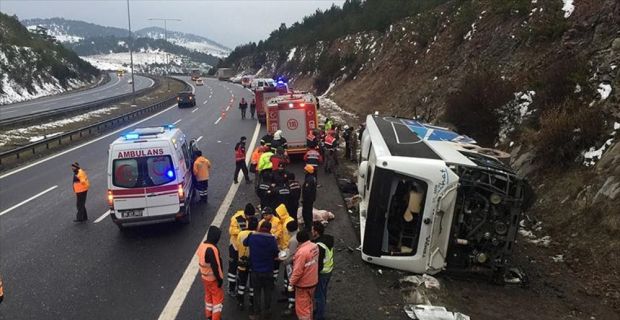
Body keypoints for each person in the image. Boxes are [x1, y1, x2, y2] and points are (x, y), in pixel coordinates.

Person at [243, 221, 279, 320]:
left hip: (255, 270)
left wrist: (251, 234)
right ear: (269, 229)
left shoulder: (253, 237)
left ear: (260, 227)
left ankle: (257, 314)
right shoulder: (272, 239)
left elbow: (244, 243)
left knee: (256, 293)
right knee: (268, 292)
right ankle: (267, 311)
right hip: (268, 270)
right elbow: (276, 253)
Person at [289, 230, 319, 320]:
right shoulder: (315, 246)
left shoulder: (301, 252)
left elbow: (297, 271)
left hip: (303, 284)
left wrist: (291, 283)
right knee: (309, 304)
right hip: (313, 281)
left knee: (302, 309)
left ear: (298, 241)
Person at [228, 203, 256, 297]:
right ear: (245, 214)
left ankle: (241, 285)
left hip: (245, 248)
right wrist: (243, 231)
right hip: (235, 247)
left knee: (243, 268)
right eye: (249, 216)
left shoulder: (251, 218)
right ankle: (231, 288)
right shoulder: (236, 218)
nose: (250, 218)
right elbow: (231, 231)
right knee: (233, 267)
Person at [197, 226, 224, 320]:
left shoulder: (202, 245)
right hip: (213, 279)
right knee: (217, 300)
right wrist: (220, 279)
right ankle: (216, 318)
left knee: (208, 297)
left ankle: (209, 315)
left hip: (204, 277)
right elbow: (216, 266)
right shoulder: (212, 249)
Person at [312, 222, 334, 320]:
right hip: (329, 270)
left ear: (316, 232)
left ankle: (319, 316)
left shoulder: (318, 246)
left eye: (312, 230)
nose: (311, 232)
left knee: (319, 295)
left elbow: (319, 264)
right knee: (323, 292)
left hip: (322, 273)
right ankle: (320, 311)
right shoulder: (327, 240)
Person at [236, 216, 259, 310]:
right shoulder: (257, 235)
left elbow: (237, 246)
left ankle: (240, 302)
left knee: (242, 283)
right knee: (253, 284)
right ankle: (252, 302)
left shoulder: (241, 234)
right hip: (254, 264)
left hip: (242, 262)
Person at [258, 207, 282, 281]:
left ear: (271, 214)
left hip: (276, 246)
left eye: (266, 215)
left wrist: (272, 237)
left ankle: (274, 278)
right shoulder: (261, 223)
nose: (265, 216)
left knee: (276, 263)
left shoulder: (277, 221)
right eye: (264, 215)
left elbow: (280, 232)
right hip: (265, 248)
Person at [282, 220, 299, 315]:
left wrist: (284, 261)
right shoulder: (298, 235)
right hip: (296, 265)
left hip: (292, 266)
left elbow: (292, 255)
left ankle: (291, 305)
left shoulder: (293, 240)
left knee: (291, 285)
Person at [301, 165, 317, 231]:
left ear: (308, 171)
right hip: (311, 198)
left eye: (305, 170)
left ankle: (308, 227)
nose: (304, 171)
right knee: (309, 212)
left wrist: (304, 200)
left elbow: (307, 191)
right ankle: (309, 224)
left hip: (308, 199)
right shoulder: (312, 177)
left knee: (306, 212)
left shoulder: (309, 180)